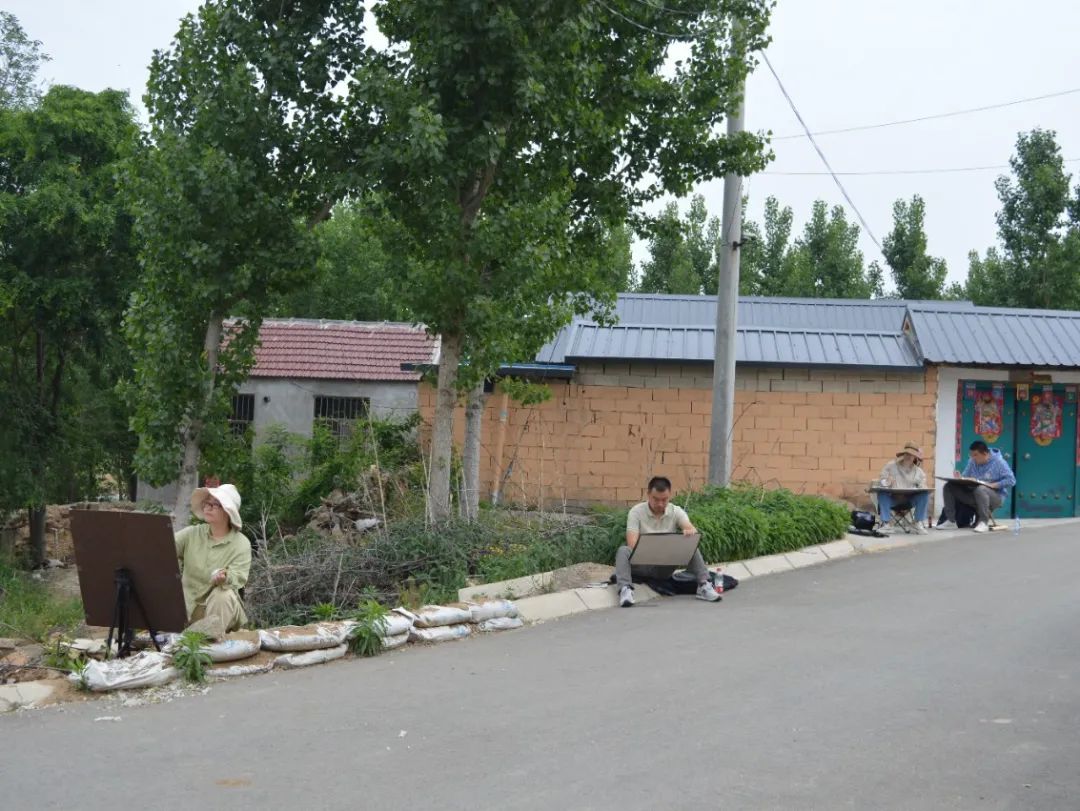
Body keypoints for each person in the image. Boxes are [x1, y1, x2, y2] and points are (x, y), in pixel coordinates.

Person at [617, 476, 722, 607]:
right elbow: (632, 544)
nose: (660, 504)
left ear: (669, 496)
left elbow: (690, 527)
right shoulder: (636, 512)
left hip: (663, 567)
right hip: (641, 564)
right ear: (648, 494)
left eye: (664, 499)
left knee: (690, 544)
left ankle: (704, 585)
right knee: (623, 550)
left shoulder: (675, 511)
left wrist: (689, 531)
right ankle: (625, 590)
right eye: (656, 499)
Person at [175, 483, 251, 632]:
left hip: (221, 612)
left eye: (214, 504)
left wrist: (225, 577)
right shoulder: (191, 534)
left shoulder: (241, 544)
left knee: (223, 594)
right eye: (206, 503)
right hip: (187, 608)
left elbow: (239, 576)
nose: (208, 508)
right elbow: (164, 548)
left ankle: (211, 642)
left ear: (227, 512)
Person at [936, 440, 1016, 534]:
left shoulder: (999, 462)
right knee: (949, 486)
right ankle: (951, 521)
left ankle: (983, 522)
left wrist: (992, 485)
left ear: (985, 453)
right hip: (974, 493)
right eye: (972, 455)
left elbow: (1011, 480)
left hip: (995, 496)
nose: (973, 458)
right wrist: (960, 478)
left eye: (976, 455)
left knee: (981, 489)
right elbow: (965, 476)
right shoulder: (972, 462)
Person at [875, 442, 929, 535]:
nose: (909, 456)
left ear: (915, 457)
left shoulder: (919, 472)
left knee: (924, 494)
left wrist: (920, 486)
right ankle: (886, 524)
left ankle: (918, 523)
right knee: (881, 492)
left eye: (912, 455)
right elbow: (881, 481)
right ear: (903, 454)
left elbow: (923, 486)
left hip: (909, 501)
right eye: (907, 454)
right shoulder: (891, 466)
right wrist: (887, 482)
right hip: (893, 500)